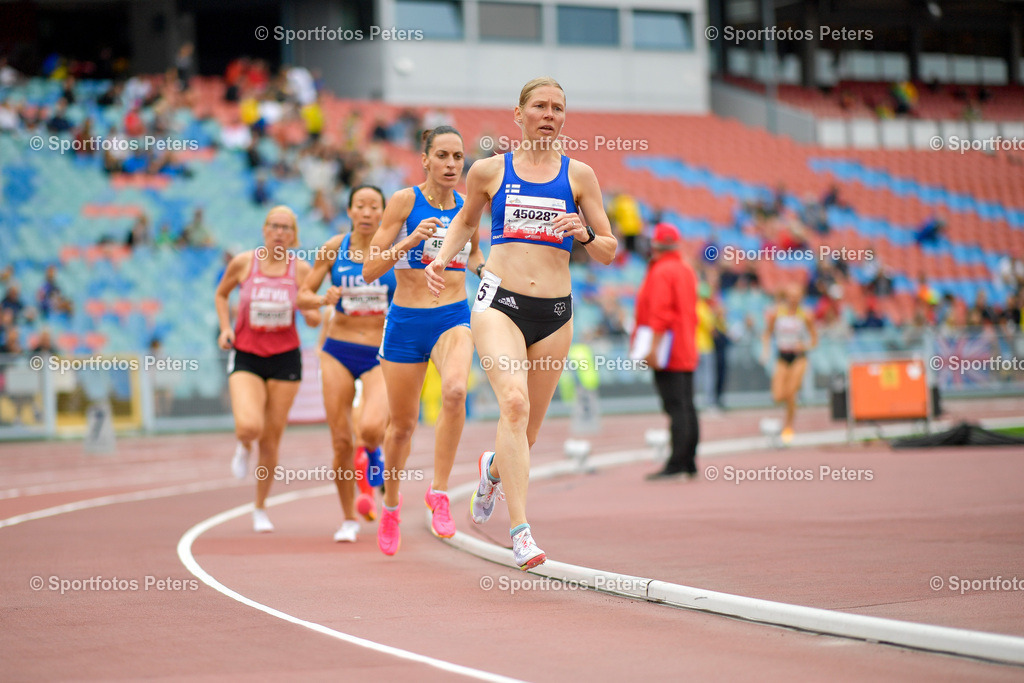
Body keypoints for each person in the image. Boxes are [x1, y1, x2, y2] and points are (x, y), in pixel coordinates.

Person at [425, 78, 617, 570]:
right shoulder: (489, 170)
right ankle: (521, 532)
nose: (549, 114)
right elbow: (466, 222)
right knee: (513, 403)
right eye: (540, 106)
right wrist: (442, 258)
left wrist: (585, 233)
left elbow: (609, 250)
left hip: (554, 315)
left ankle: (492, 468)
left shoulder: (580, 176)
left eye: (558, 108)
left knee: (526, 436)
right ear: (519, 114)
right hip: (499, 304)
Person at [363, 125, 484, 556]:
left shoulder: (469, 205)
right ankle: (391, 506)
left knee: (455, 392)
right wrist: (411, 240)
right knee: (401, 427)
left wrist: (485, 270)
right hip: (406, 321)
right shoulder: (404, 201)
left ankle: (440, 492)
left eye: (458, 157)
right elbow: (370, 269)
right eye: (443, 156)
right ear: (425, 160)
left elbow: (474, 252)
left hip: (452, 315)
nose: (452, 165)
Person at [297, 186, 396, 543]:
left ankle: (374, 454)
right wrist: (322, 298)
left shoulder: (395, 248)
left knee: (370, 429)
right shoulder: (333, 248)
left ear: (383, 212)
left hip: (380, 352)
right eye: (360, 206)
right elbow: (302, 296)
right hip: (337, 349)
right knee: (341, 441)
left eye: (374, 206)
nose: (367, 212)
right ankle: (348, 517)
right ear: (350, 211)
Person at [215, 206, 321, 532]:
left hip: (285, 358)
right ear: (264, 230)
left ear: (293, 235)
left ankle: (260, 507)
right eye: (274, 226)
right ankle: (244, 444)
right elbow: (221, 294)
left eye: (286, 228)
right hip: (247, 354)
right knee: (249, 426)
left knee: (271, 440)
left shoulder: (301, 270)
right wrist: (225, 327)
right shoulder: (244, 263)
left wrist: (312, 313)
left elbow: (313, 314)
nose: (279, 232)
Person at [632, 224, 700, 480]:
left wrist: (653, 348)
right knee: (687, 405)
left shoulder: (661, 271)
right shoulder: (686, 268)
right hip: (686, 344)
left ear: (655, 245)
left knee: (675, 407)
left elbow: (660, 313)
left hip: (668, 350)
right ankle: (689, 461)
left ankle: (677, 463)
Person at [762, 284, 817, 444]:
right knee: (778, 395)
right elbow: (767, 333)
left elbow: (814, 340)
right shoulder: (777, 313)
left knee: (791, 393)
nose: (793, 299)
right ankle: (784, 418)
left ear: (801, 297)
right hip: (782, 356)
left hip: (799, 357)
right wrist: (765, 351)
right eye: (791, 296)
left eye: (797, 296)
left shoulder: (806, 315)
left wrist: (804, 345)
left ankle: (788, 426)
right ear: (786, 297)